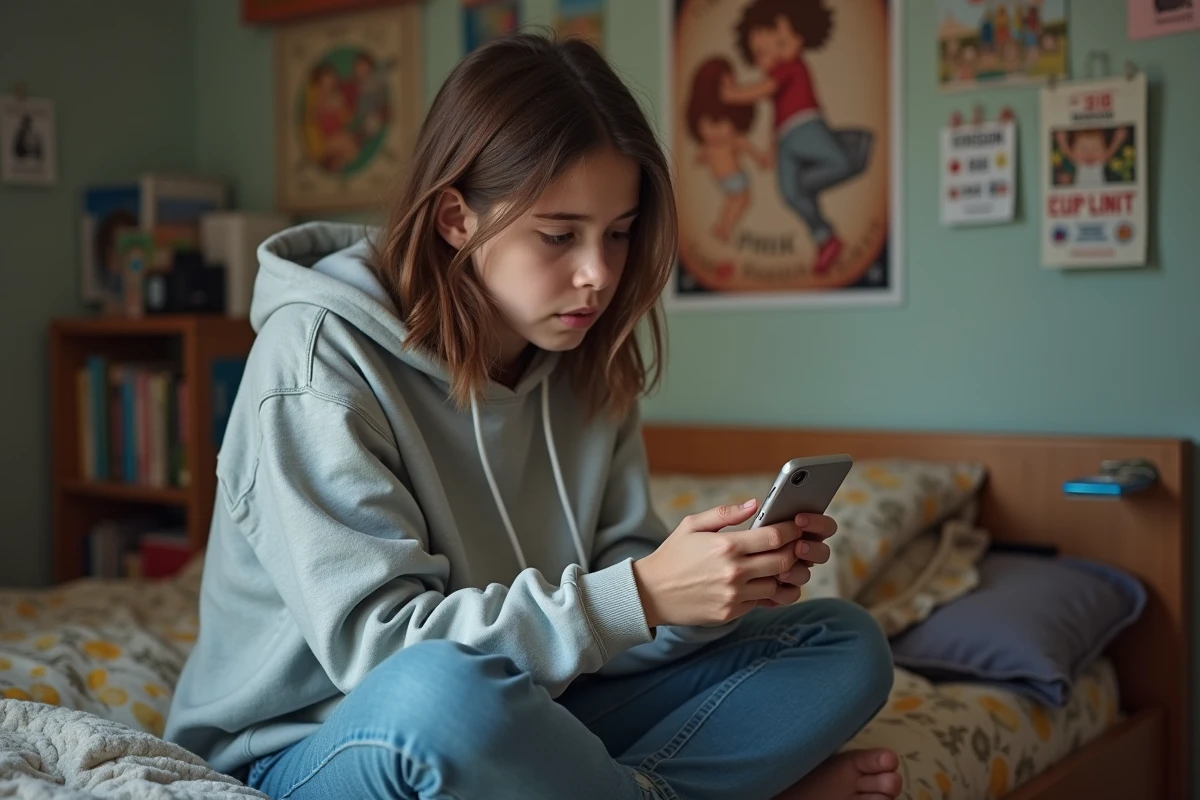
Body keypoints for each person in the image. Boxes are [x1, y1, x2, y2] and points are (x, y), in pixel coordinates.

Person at [164, 33, 900, 800]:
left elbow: (615, 621)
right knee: (440, 696)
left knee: (841, 641)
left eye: (618, 233)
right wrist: (638, 595)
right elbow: (381, 654)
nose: (600, 275)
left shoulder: (582, 359)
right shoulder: (314, 361)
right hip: (318, 744)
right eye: (560, 235)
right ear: (455, 217)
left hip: (537, 708)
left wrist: (709, 595)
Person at [719, 0, 872, 276]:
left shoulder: (790, 67)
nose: (770, 57)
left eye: (780, 43)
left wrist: (733, 95)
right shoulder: (779, 70)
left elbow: (765, 89)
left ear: (798, 39)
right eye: (760, 53)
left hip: (806, 127)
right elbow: (775, 119)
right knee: (790, 193)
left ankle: (857, 145)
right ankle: (825, 237)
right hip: (787, 139)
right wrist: (770, 151)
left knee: (838, 162)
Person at [685, 56, 772, 243]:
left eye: (723, 122)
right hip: (732, 179)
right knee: (740, 200)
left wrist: (760, 159)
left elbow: (747, 147)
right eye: (709, 122)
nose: (716, 130)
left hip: (729, 179)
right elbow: (744, 148)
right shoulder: (721, 143)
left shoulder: (731, 140)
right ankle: (724, 227)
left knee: (735, 201)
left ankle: (723, 226)